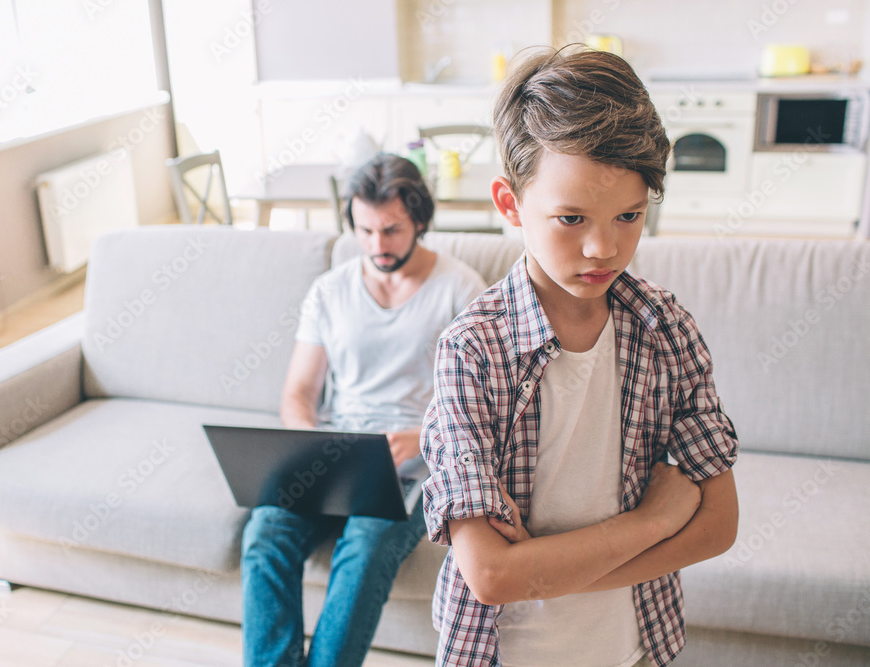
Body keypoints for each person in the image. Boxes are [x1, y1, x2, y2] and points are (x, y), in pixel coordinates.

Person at [420, 46, 740, 666]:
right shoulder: (473, 350)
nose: (603, 247)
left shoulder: (667, 330)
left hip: (632, 645)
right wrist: (652, 521)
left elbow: (717, 527)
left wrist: (538, 568)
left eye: (628, 216)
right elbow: (491, 577)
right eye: (571, 218)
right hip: (503, 652)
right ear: (510, 204)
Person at [240, 153, 487, 667]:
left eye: (392, 230)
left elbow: (485, 402)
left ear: (419, 220)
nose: (377, 245)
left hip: (416, 465)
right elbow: (298, 392)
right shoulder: (329, 291)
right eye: (365, 230)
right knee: (265, 532)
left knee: (366, 546)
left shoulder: (461, 289)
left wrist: (422, 436)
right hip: (334, 457)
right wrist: (307, 443)